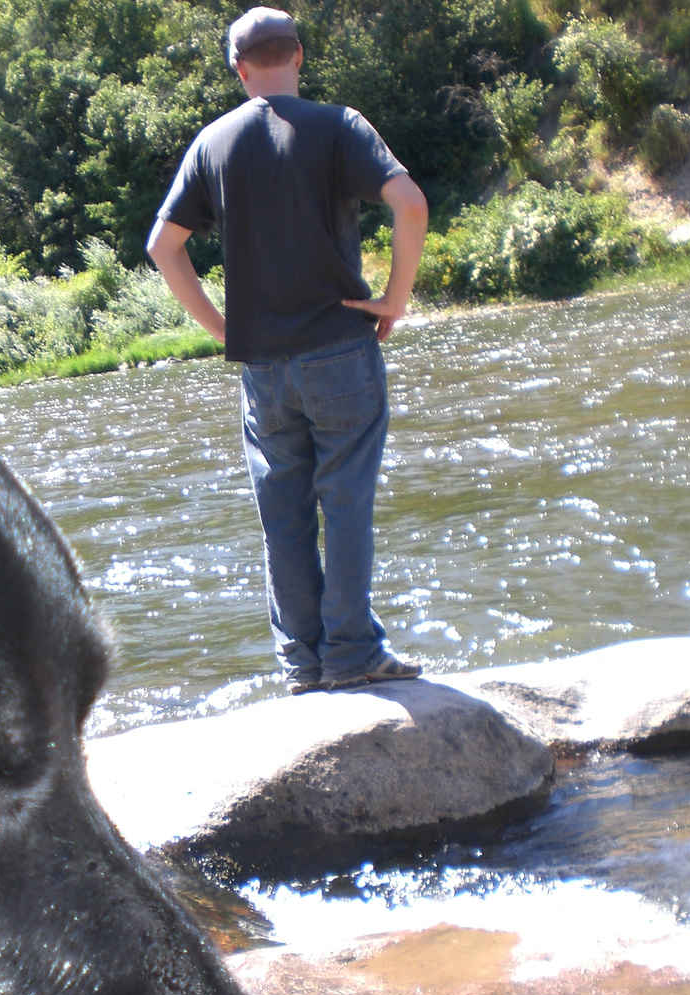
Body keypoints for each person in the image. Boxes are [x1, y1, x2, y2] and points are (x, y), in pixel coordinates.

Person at [147, 5, 428, 695]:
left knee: (283, 514)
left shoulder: (212, 143)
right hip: (339, 348)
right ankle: (352, 654)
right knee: (347, 501)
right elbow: (410, 202)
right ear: (298, 56)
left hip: (263, 368)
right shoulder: (340, 126)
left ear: (239, 69)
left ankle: (302, 666)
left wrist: (221, 327)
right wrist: (394, 298)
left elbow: (163, 246)